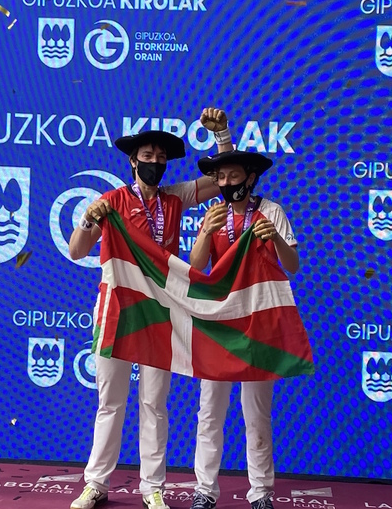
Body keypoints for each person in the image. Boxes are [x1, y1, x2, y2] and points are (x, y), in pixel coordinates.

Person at [68, 109, 233, 509]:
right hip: (117, 311)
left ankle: (152, 487)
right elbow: (76, 250)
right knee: (111, 402)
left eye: (161, 157)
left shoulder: (175, 198)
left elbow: (222, 180)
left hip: (161, 313)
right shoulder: (111, 201)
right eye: (147, 156)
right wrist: (88, 220)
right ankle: (95, 484)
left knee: (154, 404)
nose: (155, 162)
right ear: (133, 161)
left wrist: (223, 137)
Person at [187, 149, 298, 509]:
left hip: (258, 325)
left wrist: (275, 238)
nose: (225, 183)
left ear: (250, 178)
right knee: (210, 412)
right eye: (220, 178)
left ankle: (261, 492)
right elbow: (196, 266)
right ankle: (204, 490)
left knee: (257, 415)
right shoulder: (214, 213)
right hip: (219, 323)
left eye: (232, 177)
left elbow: (293, 265)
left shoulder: (272, 212)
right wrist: (206, 231)